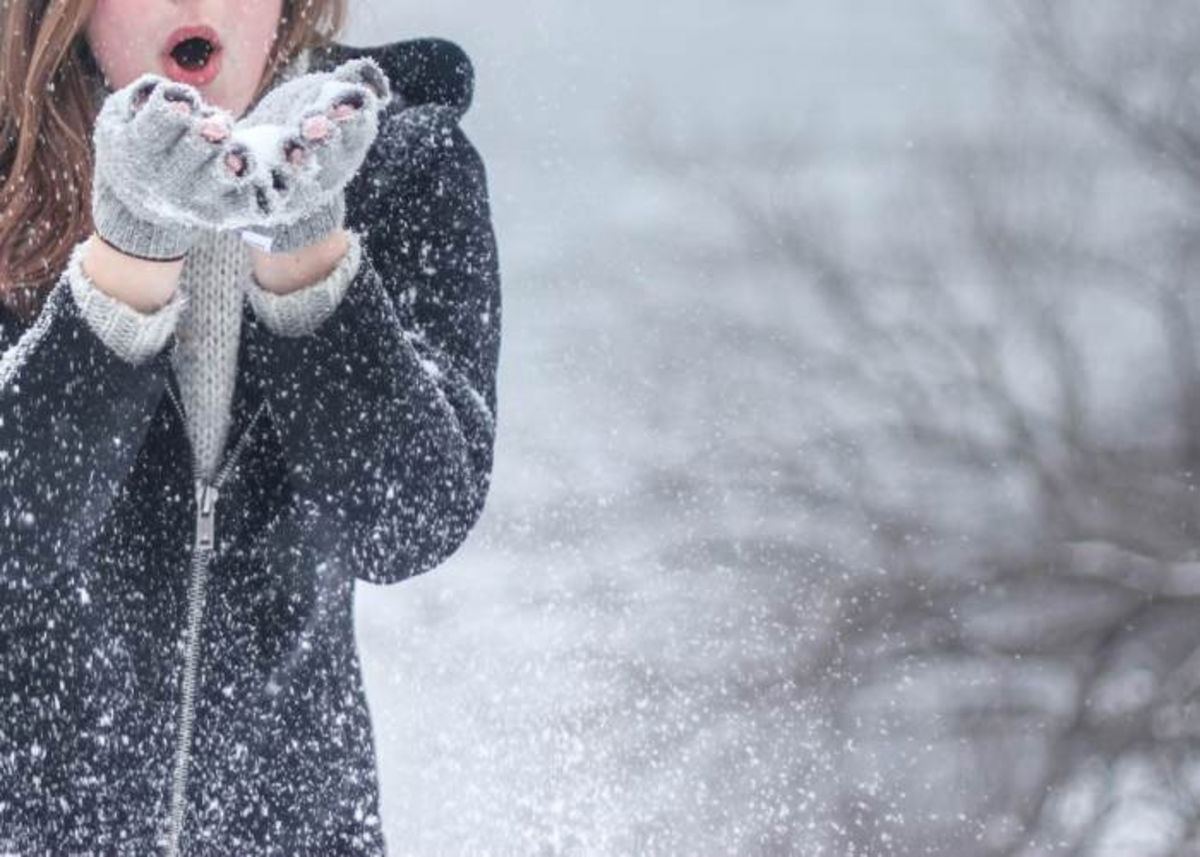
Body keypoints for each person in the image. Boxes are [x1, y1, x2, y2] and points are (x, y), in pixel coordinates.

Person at [0, 0, 502, 853]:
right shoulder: (9, 176)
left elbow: (409, 521)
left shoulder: (403, 166)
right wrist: (130, 260)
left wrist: (309, 253)